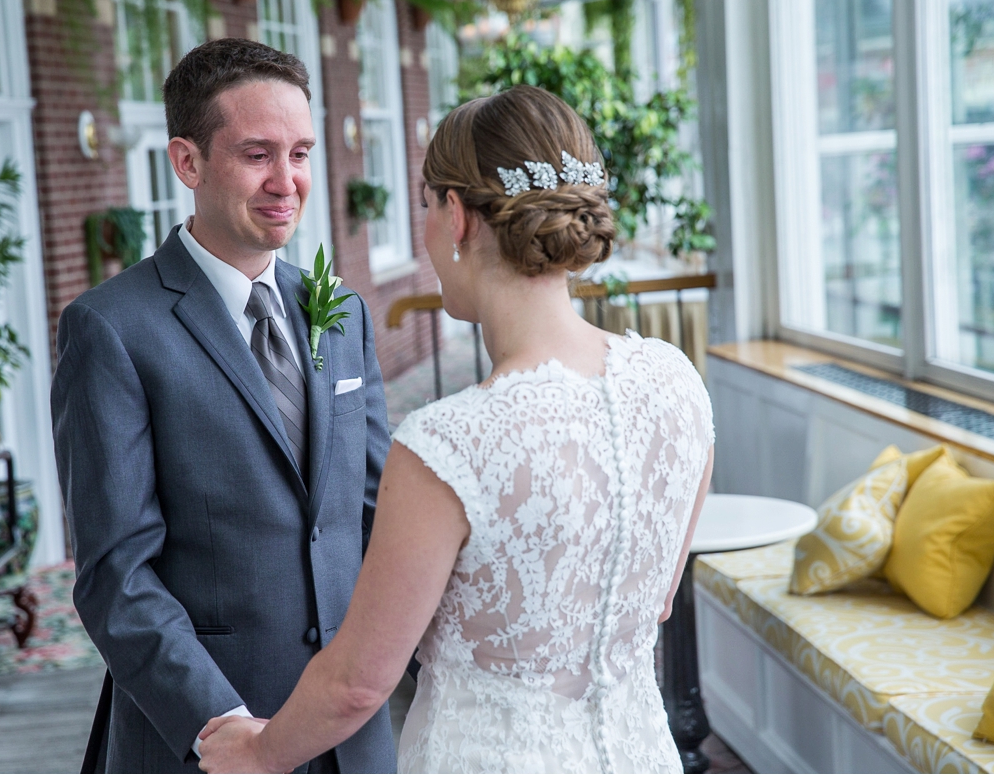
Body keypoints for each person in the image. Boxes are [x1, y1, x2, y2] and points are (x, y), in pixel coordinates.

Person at [197, 85, 715, 774]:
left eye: (425, 207)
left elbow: (359, 681)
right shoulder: (677, 382)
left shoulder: (452, 443)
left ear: (456, 215)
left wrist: (259, 754)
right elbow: (655, 600)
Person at [50, 38, 396, 774]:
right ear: (188, 162)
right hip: (206, 740)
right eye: (257, 154)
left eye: (300, 153)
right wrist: (224, 729)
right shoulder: (110, 329)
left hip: (355, 737)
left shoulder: (340, 311)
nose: (287, 181)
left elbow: (375, 515)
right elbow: (116, 575)